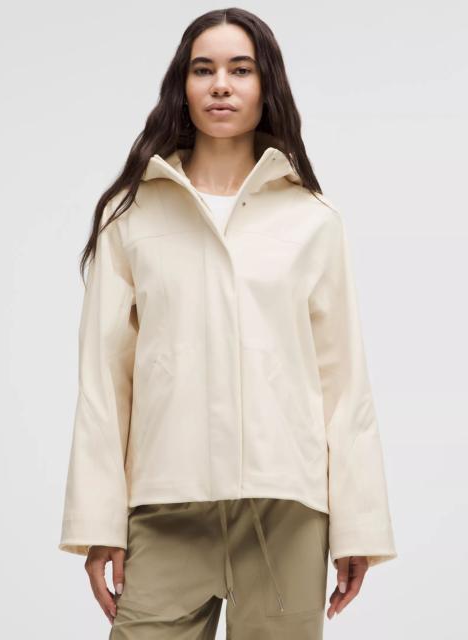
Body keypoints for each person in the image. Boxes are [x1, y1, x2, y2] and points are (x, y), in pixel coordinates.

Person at [58, 7, 397, 639]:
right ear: (181, 87)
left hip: (287, 510)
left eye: (240, 70)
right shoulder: (130, 214)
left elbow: (345, 384)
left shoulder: (312, 219)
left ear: (266, 85)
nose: (221, 85)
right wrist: (98, 522)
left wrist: (359, 527)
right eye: (203, 70)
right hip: (165, 506)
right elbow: (103, 381)